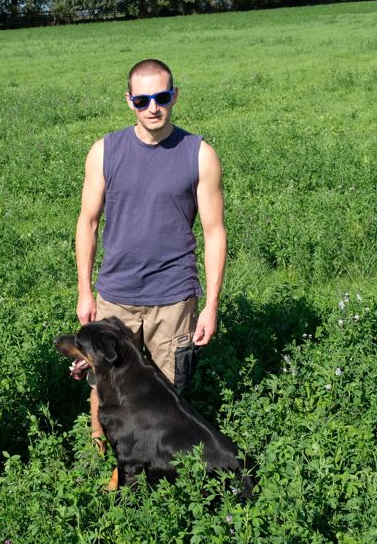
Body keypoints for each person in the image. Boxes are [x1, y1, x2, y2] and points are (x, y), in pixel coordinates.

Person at [75, 58, 227, 456]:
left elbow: (214, 232)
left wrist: (210, 305)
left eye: (161, 97)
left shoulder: (199, 154)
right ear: (130, 101)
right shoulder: (105, 151)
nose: (153, 108)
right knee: (105, 386)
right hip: (115, 295)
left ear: (174, 95)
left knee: (164, 398)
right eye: (143, 100)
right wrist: (85, 292)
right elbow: (87, 222)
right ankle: (100, 457)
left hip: (173, 299)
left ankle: (158, 470)